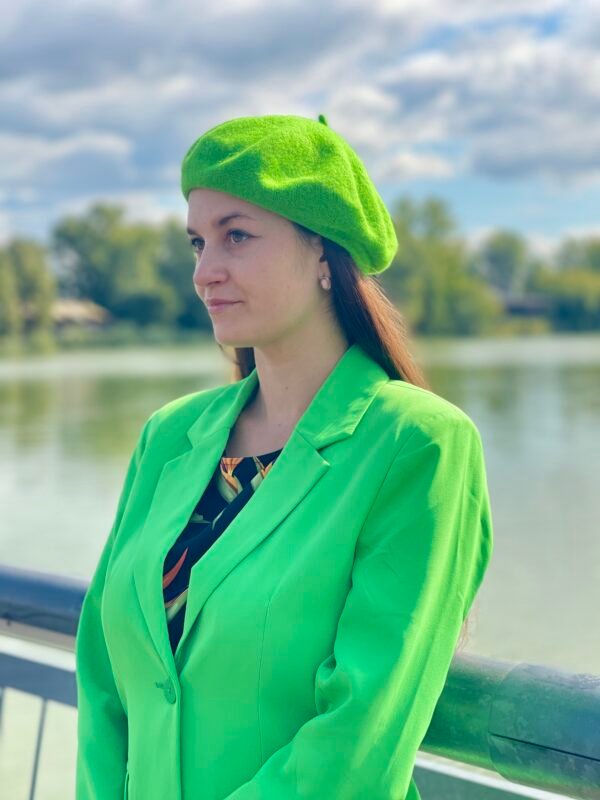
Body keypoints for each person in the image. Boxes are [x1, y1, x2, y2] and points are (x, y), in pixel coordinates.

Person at [74, 113, 494, 800]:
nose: (206, 272)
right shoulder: (169, 438)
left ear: (323, 255)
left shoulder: (417, 444)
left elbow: (362, 732)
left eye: (236, 236)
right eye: (197, 243)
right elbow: (101, 675)